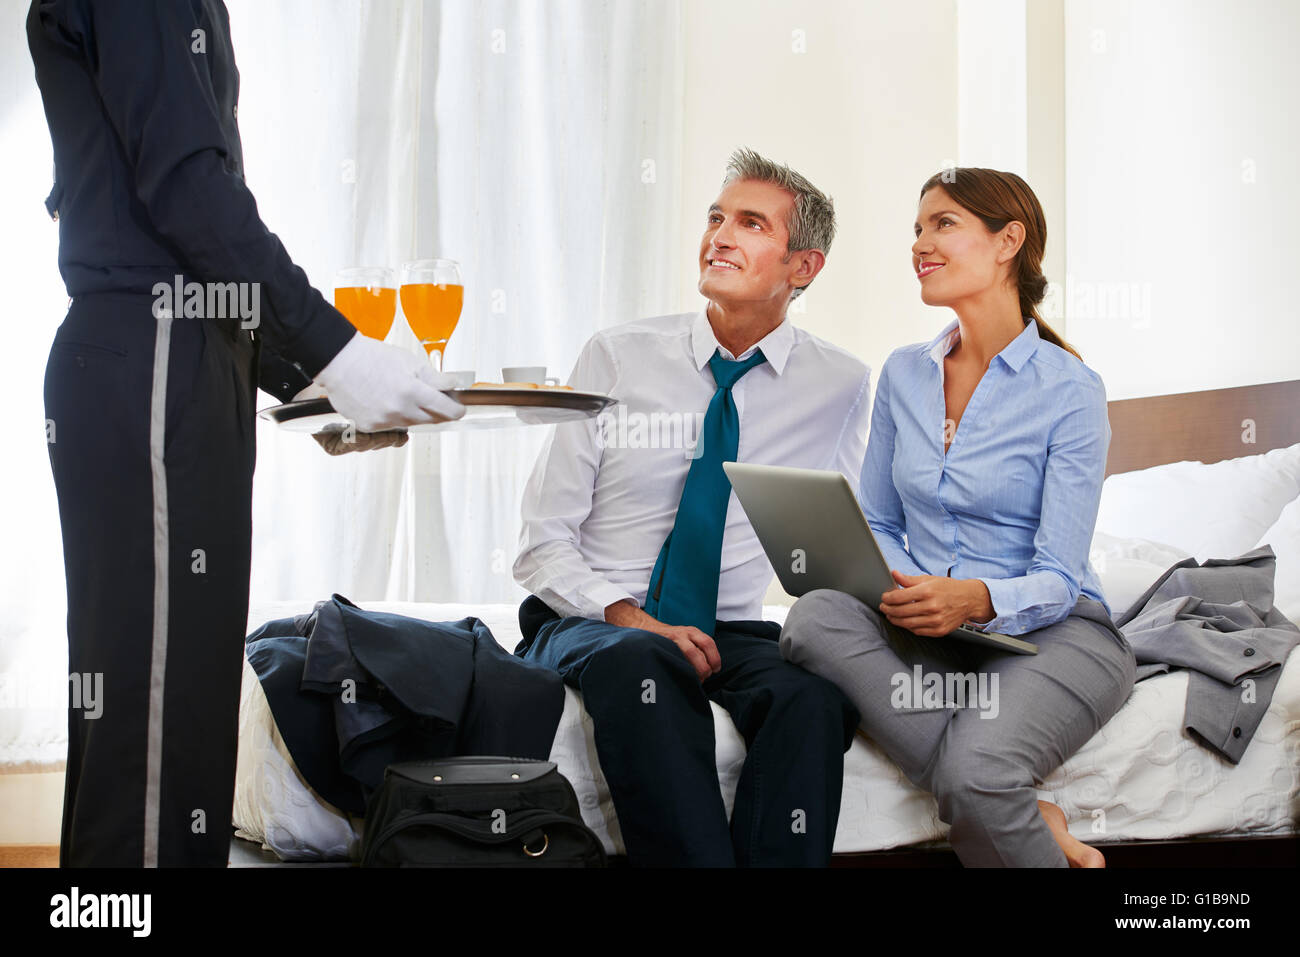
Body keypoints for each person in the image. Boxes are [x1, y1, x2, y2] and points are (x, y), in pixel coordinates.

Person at [28, 0, 463, 867]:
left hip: (180, 352)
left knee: (175, 706)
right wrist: (338, 354)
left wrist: (309, 384)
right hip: (152, 350)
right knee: (153, 723)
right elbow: (190, 193)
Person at [513, 148, 869, 866]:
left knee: (815, 700)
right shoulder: (617, 356)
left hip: (730, 628)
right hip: (597, 619)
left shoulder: (842, 383)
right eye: (715, 217)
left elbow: (849, 540)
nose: (719, 236)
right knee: (644, 662)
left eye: (749, 223)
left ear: (803, 267)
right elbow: (540, 543)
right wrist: (633, 617)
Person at [779, 167, 1137, 867]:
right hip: (933, 626)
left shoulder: (1071, 390)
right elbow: (879, 518)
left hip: (1054, 634)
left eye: (943, 224)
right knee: (813, 617)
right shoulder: (905, 374)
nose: (920, 242)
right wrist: (891, 577)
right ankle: (1025, 808)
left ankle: (993, 793)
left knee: (978, 771)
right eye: (917, 228)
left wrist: (973, 598)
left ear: (1010, 241)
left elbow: (1059, 576)